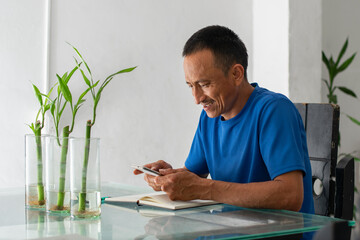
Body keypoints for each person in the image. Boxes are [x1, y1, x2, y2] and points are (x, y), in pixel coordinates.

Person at [134, 25, 314, 214]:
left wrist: (206, 188)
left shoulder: (273, 110)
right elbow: (194, 178)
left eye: (204, 84)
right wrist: (169, 178)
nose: (197, 98)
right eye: (190, 86)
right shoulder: (209, 117)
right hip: (227, 229)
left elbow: (290, 195)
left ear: (236, 74)